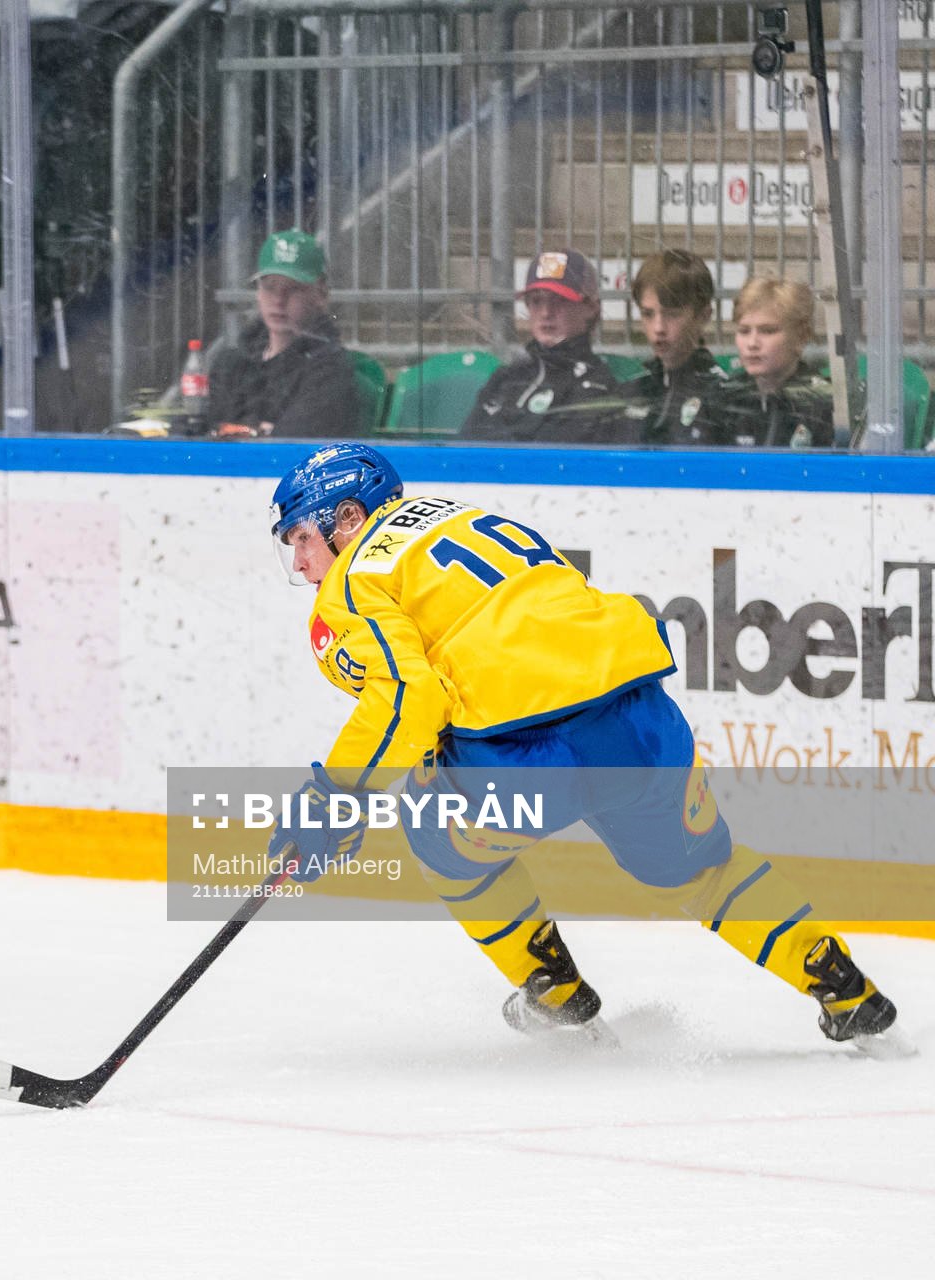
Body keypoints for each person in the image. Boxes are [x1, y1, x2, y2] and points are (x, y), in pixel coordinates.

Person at [264, 442, 898, 1046]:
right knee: (704, 869)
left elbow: (409, 699)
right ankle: (845, 988)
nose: (299, 562)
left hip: (523, 754)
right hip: (639, 722)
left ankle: (555, 992)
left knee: (431, 830)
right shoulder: (471, 519)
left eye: (302, 538)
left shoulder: (358, 574)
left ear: (348, 518)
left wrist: (334, 795)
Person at [462, 249, 636, 444]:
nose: (546, 313)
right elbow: (465, 448)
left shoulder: (600, 385)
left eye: (559, 301)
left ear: (591, 308)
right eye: (536, 301)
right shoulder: (506, 378)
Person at [204, 228, 361, 439]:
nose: (279, 300)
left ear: (320, 294)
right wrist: (258, 430)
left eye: (294, 289)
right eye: (269, 287)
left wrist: (238, 431)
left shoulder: (330, 370)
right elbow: (205, 433)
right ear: (258, 293)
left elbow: (290, 446)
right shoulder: (232, 363)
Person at [623, 249, 735, 445]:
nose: (658, 328)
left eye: (672, 314)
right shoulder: (633, 389)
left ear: (703, 316)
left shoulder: (722, 394)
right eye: (648, 314)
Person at [720, 278, 839, 448]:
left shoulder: (823, 403)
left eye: (768, 331)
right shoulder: (725, 397)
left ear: (801, 337)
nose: (752, 343)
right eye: (744, 331)